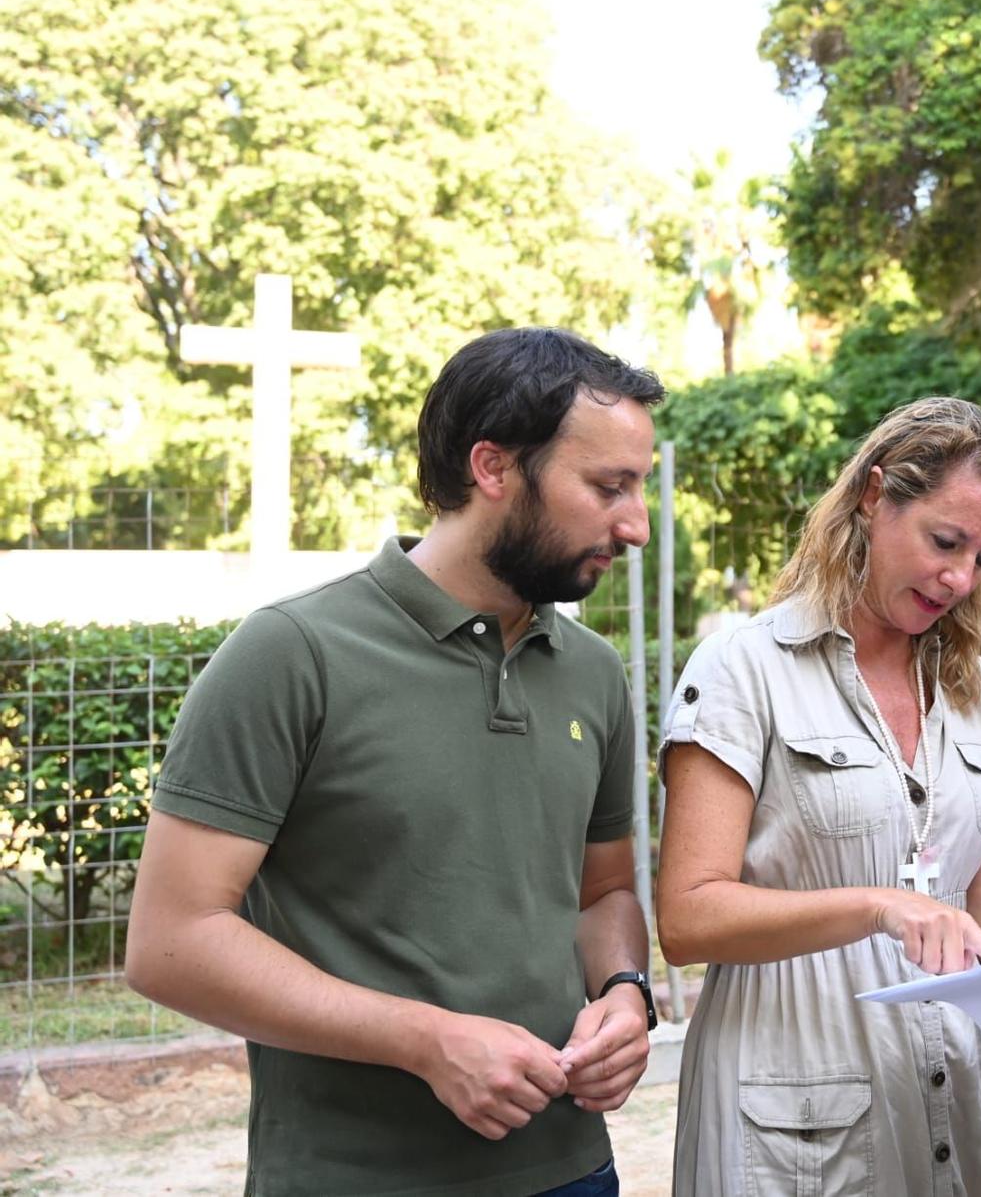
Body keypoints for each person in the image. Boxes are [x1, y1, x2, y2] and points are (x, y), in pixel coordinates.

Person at [126, 328, 664, 1196]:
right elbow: (171, 943)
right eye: (608, 487)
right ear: (493, 468)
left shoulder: (597, 675)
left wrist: (627, 992)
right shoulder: (292, 653)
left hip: (574, 1170)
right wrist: (425, 1040)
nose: (635, 524)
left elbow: (601, 893)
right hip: (351, 1178)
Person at [655, 396, 981, 1196]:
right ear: (874, 497)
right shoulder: (744, 667)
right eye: (945, 542)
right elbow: (688, 918)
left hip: (958, 1089)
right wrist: (880, 905)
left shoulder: (978, 686)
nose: (961, 580)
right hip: (797, 1108)